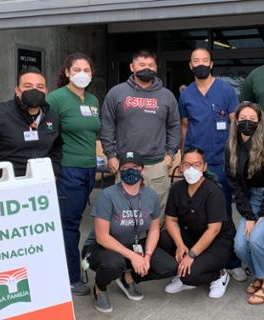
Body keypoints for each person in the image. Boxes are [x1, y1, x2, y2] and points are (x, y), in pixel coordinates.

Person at [179, 47, 245, 281]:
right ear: (190, 65)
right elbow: (184, 127)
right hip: (194, 163)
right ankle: (199, 256)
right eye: (195, 60)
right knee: (195, 212)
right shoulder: (186, 94)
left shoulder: (226, 90)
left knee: (223, 212)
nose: (200, 64)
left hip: (220, 161)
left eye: (204, 60)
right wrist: (181, 158)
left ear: (212, 63)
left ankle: (232, 260)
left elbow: (235, 125)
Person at [82, 151, 177, 313]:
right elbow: (102, 237)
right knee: (114, 263)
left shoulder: (150, 195)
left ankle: (128, 277)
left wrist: (146, 256)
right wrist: (134, 257)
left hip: (131, 245)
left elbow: (154, 229)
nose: (130, 171)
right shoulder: (107, 195)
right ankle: (100, 288)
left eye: (135, 167)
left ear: (142, 171)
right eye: (125, 168)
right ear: (119, 170)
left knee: (169, 266)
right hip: (100, 248)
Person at [45, 52, 101, 296]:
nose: (82, 74)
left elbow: (93, 134)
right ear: (67, 72)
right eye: (77, 69)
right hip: (68, 169)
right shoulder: (56, 99)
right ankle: (72, 277)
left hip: (90, 169)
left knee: (76, 219)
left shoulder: (93, 100)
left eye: (87, 70)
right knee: (70, 224)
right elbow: (46, 134)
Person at [100, 49, 180, 212]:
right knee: (123, 212)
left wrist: (170, 154)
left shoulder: (167, 96)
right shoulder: (117, 93)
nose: (147, 68)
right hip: (126, 164)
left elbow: (174, 126)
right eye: (142, 64)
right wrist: (110, 155)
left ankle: (152, 238)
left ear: (156, 68)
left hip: (157, 165)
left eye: (151, 65)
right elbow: (107, 125)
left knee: (156, 212)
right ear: (132, 67)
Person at [226, 102, 264, 304]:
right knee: (240, 246)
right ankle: (260, 276)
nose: (247, 122)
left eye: (253, 119)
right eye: (243, 118)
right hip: (250, 199)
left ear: (259, 122)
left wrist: (259, 216)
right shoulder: (231, 146)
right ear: (236, 119)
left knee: (256, 239)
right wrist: (249, 216)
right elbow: (235, 185)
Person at [158, 148, 235, 299]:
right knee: (163, 238)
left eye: (197, 165)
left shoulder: (213, 191)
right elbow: (171, 220)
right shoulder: (177, 189)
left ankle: (219, 275)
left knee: (190, 276)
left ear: (204, 167)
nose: (191, 169)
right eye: (187, 165)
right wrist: (180, 245)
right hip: (191, 236)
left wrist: (191, 255)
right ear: (180, 167)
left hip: (217, 243)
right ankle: (184, 271)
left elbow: (213, 230)